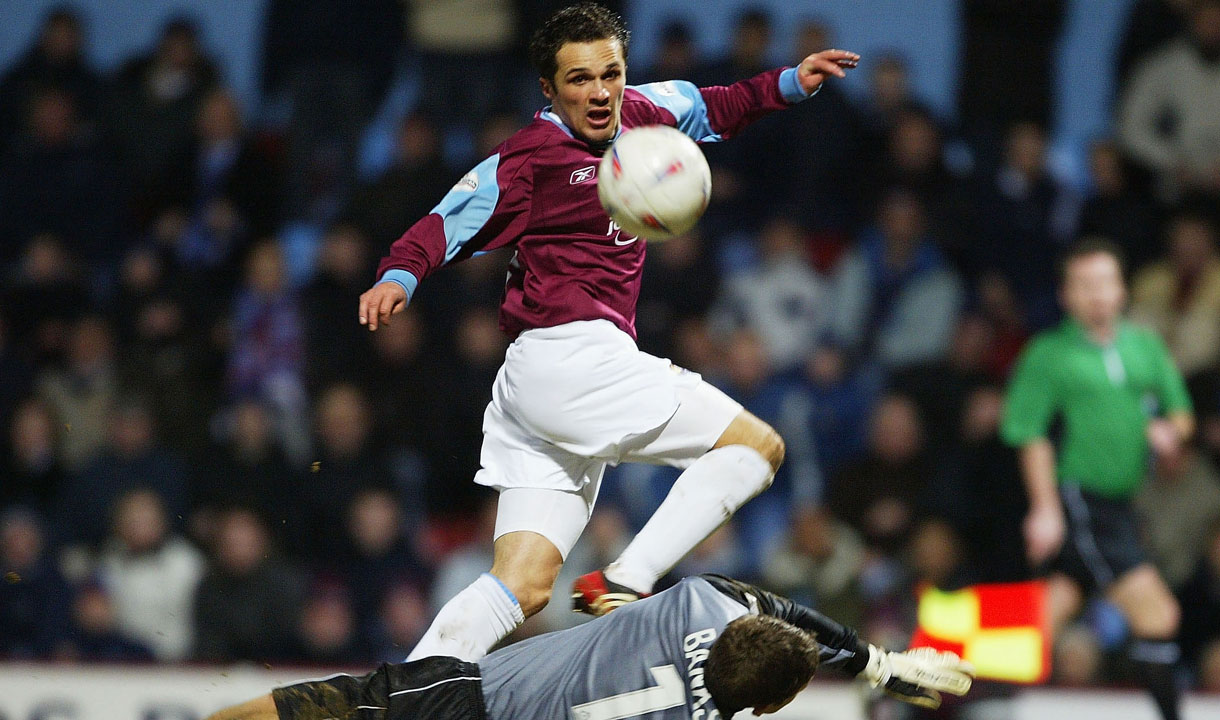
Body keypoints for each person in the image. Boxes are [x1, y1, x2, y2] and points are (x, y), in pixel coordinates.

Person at [356, 2, 860, 662]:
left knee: (522, 586)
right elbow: (446, 221)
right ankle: (627, 578)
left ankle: (402, 695)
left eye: (610, 74)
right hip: (571, 357)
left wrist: (791, 82)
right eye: (578, 80)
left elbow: (720, 105)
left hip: (543, 386)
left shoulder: (649, 110)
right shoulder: (530, 158)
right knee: (755, 448)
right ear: (548, 89)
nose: (599, 93)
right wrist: (399, 276)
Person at [205, 573, 973, 720]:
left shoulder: (698, 603)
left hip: (461, 702)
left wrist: (877, 661)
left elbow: (781, 609)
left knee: (291, 716)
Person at [1001, 238, 1194, 720]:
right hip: (1082, 500)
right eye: (1084, 285)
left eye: (1105, 282)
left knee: (1039, 622)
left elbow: (1181, 410)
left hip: (1124, 503)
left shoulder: (1144, 347)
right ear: (1066, 294)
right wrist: (1045, 508)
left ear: (1123, 289)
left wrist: (1170, 430)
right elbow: (1029, 434)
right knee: (1159, 614)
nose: (1097, 294)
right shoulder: (1048, 354)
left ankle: (931, 691)